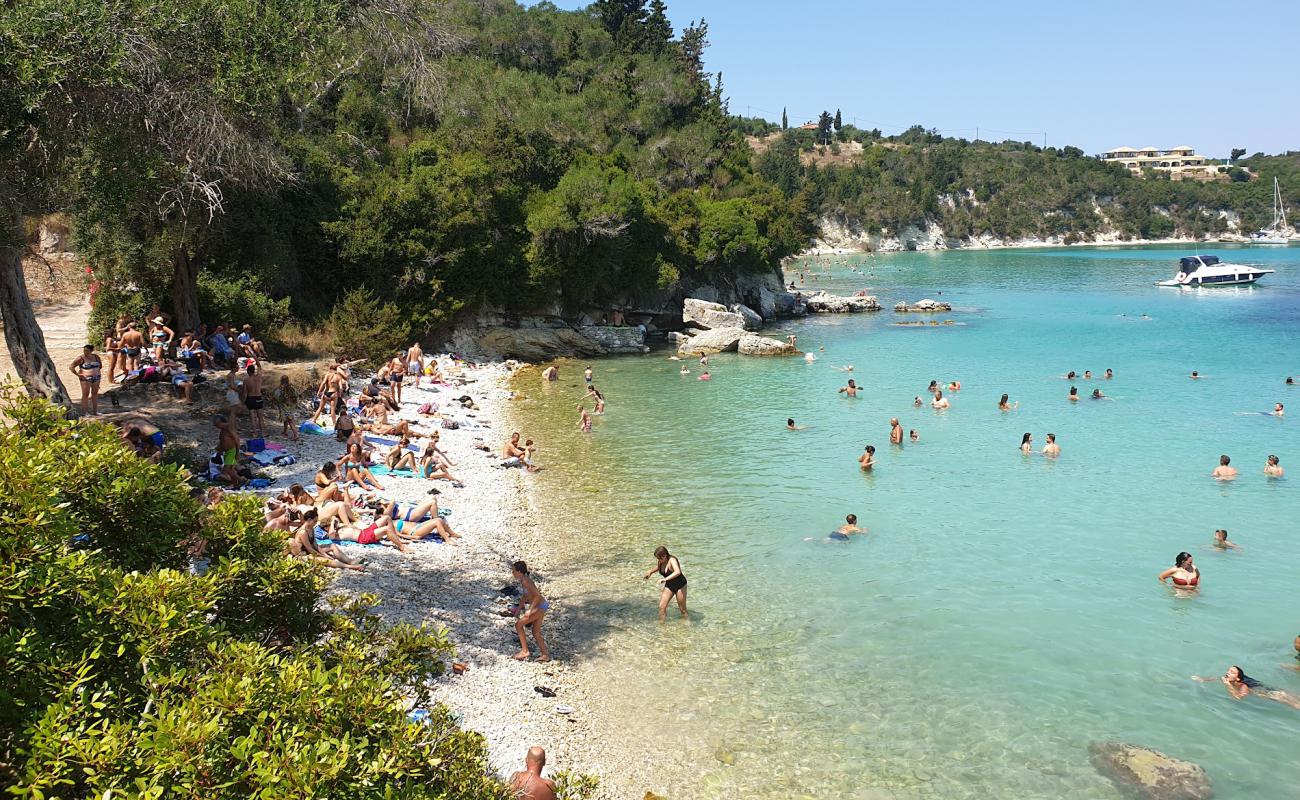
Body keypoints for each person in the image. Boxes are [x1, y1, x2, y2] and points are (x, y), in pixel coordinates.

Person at [1192, 667, 1300, 710]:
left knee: (1296, 704)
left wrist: (1228, 686)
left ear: (1238, 678)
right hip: (1274, 691)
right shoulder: (1228, 679)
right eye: (1228, 670)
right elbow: (1216, 678)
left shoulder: (1243, 685)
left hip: (1275, 694)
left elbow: (1239, 697)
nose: (1227, 673)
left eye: (1232, 672)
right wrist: (1202, 679)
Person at [511, 561, 550, 661]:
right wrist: (519, 609)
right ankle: (545, 655)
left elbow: (537, 595)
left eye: (514, 571)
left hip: (540, 606)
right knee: (535, 632)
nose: (512, 573)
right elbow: (525, 595)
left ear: (519, 571)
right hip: (542, 605)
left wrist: (530, 610)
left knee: (518, 625)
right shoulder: (523, 580)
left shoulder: (525, 581)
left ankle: (525, 651)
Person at [643, 546, 687, 621]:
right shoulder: (661, 561)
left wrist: (664, 579)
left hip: (680, 585)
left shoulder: (672, 560)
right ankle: (662, 626)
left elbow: (677, 572)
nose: (659, 560)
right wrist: (650, 572)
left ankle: (687, 625)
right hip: (670, 585)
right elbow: (658, 567)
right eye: (657, 558)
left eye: (659, 558)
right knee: (662, 607)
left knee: (682, 610)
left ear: (665, 555)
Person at [70, 344, 103, 416]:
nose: (85, 352)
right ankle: (85, 412)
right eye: (84, 350)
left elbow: (100, 366)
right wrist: (78, 374)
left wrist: (95, 371)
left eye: (87, 351)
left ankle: (95, 411)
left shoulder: (96, 357)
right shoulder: (80, 358)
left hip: (97, 377)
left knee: (95, 394)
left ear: (91, 351)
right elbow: (71, 367)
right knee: (85, 395)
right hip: (85, 379)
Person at [213, 414, 243, 488]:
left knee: (227, 470)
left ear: (222, 422)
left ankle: (241, 481)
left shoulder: (228, 427)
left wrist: (237, 452)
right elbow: (222, 441)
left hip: (232, 450)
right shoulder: (222, 431)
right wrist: (219, 450)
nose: (216, 426)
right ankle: (235, 483)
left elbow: (236, 439)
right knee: (231, 469)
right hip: (226, 452)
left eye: (217, 424)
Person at [242, 362, 266, 439]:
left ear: (248, 371)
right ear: (254, 371)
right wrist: (256, 359)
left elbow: (244, 392)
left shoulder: (246, 380)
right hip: (258, 398)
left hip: (251, 398)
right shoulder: (259, 377)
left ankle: (255, 433)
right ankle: (263, 432)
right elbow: (259, 366)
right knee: (260, 417)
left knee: (253, 417)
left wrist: (243, 401)